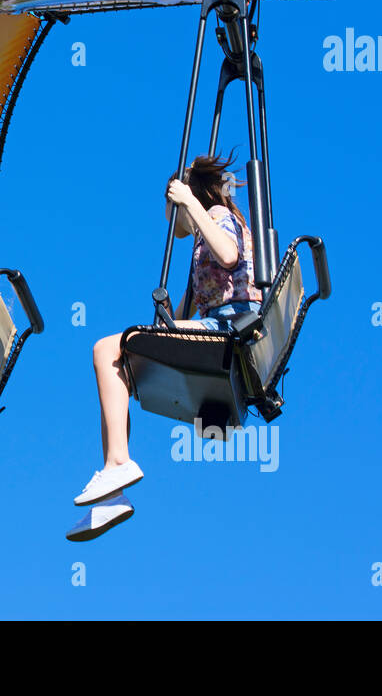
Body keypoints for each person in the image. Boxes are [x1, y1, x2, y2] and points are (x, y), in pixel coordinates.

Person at [66, 153, 263, 541]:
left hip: (231, 325)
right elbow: (185, 318)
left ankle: (118, 463)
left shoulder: (220, 217)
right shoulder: (196, 252)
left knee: (108, 349)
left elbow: (229, 255)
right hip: (213, 326)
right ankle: (113, 488)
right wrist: (169, 314)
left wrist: (189, 201)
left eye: (170, 205)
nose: (169, 217)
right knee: (115, 358)